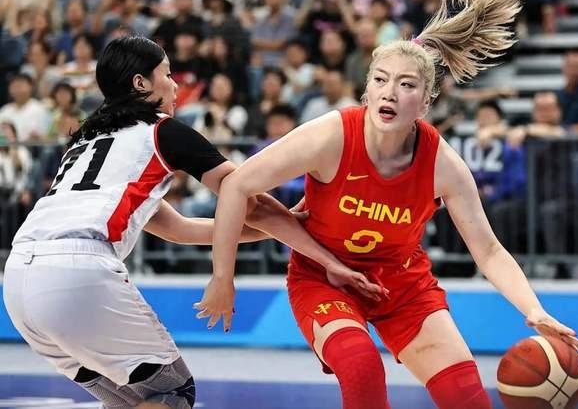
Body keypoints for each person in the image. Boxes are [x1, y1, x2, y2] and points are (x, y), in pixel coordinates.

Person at [196, 0, 578, 409]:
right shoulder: (330, 136)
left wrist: (533, 309)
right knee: (362, 365)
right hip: (325, 278)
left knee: (466, 398)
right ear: (367, 90)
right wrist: (222, 277)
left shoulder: (443, 164)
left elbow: (489, 250)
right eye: (381, 80)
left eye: (406, 85)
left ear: (426, 101)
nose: (391, 93)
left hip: (402, 285)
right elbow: (237, 186)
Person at [2, 36, 383, 409]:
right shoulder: (161, 130)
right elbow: (247, 200)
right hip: (77, 272)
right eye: (167, 74)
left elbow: (176, 227)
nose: (175, 85)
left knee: (132, 399)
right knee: (171, 391)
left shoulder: (86, 141)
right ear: (141, 83)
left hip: (18, 280)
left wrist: (274, 228)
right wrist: (321, 252)